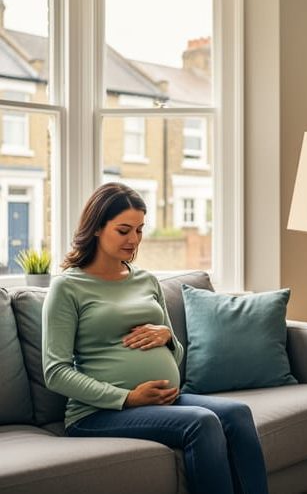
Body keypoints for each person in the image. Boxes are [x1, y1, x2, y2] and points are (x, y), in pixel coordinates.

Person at [42, 182, 269, 494]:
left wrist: (167, 337)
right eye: (123, 230)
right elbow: (56, 372)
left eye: (139, 230)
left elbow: (175, 356)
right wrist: (126, 398)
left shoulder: (147, 280)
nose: (134, 240)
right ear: (96, 228)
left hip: (165, 399)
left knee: (238, 414)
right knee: (200, 422)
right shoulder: (67, 287)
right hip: (97, 413)